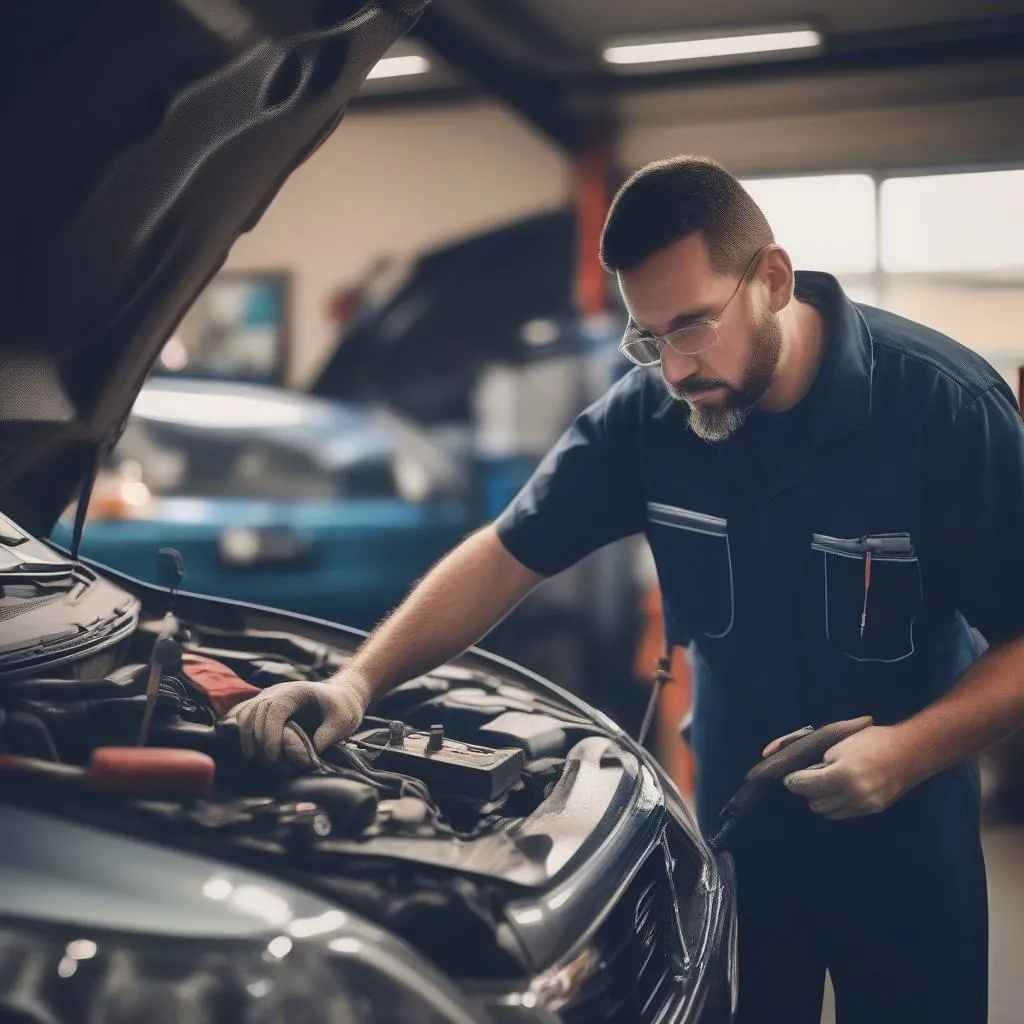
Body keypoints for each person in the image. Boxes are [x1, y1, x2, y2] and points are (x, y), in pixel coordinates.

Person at [228, 155, 1024, 1023]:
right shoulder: (650, 419)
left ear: (774, 279)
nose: (674, 369)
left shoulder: (944, 411)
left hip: (906, 830)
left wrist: (908, 752)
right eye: (648, 337)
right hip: (737, 830)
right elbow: (504, 554)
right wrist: (357, 680)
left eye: (691, 327)